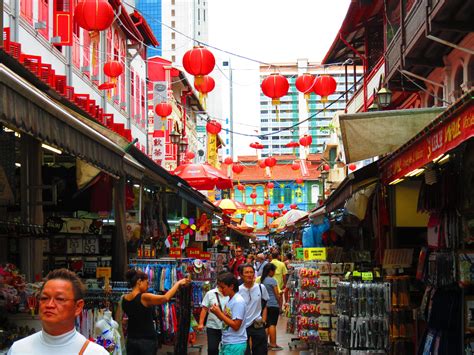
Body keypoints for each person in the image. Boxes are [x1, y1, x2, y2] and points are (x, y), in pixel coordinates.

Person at [8, 268, 109, 355]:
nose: (50, 304)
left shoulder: (95, 353)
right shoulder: (18, 349)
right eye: (44, 298)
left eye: (60, 299)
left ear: (78, 307)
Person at [121, 269, 190, 355]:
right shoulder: (144, 297)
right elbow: (165, 298)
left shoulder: (124, 299)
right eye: (146, 283)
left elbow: (133, 317)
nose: (148, 286)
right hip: (146, 341)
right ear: (139, 282)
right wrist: (178, 283)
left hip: (131, 340)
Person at [209, 272, 247, 355]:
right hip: (228, 342)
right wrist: (216, 313)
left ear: (231, 286)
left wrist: (219, 313)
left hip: (235, 344)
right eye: (219, 287)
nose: (220, 290)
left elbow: (236, 325)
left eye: (223, 287)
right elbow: (227, 320)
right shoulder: (230, 300)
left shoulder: (238, 301)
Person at [238, 263, 269, 355]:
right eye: (246, 272)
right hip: (243, 326)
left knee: (261, 351)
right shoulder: (238, 290)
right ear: (241, 275)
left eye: (251, 272)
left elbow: (265, 305)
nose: (249, 274)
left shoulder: (261, 287)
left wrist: (263, 320)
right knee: (244, 351)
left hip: (258, 325)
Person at [197, 278, 229, 355]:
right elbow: (204, 309)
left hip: (227, 327)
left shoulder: (230, 294)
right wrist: (201, 323)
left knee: (226, 348)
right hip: (212, 326)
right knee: (212, 349)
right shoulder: (210, 294)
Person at [261, 263, 283, 351]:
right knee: (272, 324)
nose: (274, 273)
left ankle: (265, 343)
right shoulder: (272, 280)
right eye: (274, 271)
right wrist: (280, 304)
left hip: (265, 305)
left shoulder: (262, 280)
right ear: (270, 271)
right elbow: (276, 294)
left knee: (266, 325)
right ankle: (273, 344)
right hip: (273, 304)